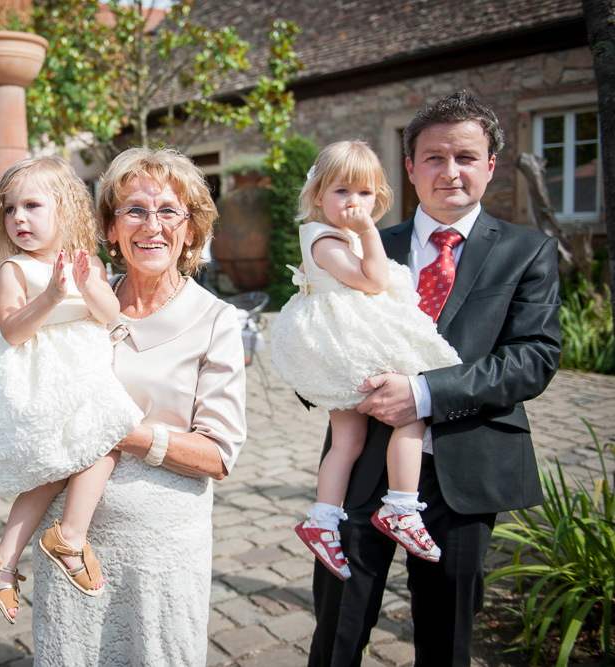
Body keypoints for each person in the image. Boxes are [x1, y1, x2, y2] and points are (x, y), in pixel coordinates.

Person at [307, 91, 562, 666]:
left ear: (490, 166)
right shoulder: (357, 243)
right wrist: (330, 383)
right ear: (410, 168)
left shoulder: (527, 251)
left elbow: (535, 355)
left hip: (465, 465)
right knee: (337, 635)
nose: (451, 172)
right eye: (435, 158)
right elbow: (316, 330)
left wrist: (422, 394)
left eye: (466, 157)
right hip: (363, 464)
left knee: (446, 641)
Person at [31, 147, 247, 665]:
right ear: (110, 228)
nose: (152, 225)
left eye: (169, 211)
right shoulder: (79, 302)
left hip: (161, 549)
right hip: (68, 543)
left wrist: (124, 430)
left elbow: (219, 455)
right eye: (134, 210)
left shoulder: (216, 320)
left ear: (191, 230)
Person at [0, 156, 143, 623]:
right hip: (36, 380)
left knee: (63, 462)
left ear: (65, 210)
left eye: (32, 206)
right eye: (9, 208)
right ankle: (71, 536)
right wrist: (52, 297)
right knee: (105, 438)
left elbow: (106, 313)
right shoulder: (13, 268)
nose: (18, 218)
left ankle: (2, 558)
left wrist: (86, 283)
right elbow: (12, 330)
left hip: (76, 374)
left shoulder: (87, 260)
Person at [270, 141, 461, 579]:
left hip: (340, 340)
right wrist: (371, 232)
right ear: (318, 194)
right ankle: (400, 506)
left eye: (365, 194)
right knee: (411, 413)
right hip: (347, 346)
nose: (354, 204)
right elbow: (373, 281)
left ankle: (322, 521)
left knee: (347, 442)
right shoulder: (326, 239)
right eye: (342, 192)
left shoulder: (330, 234)